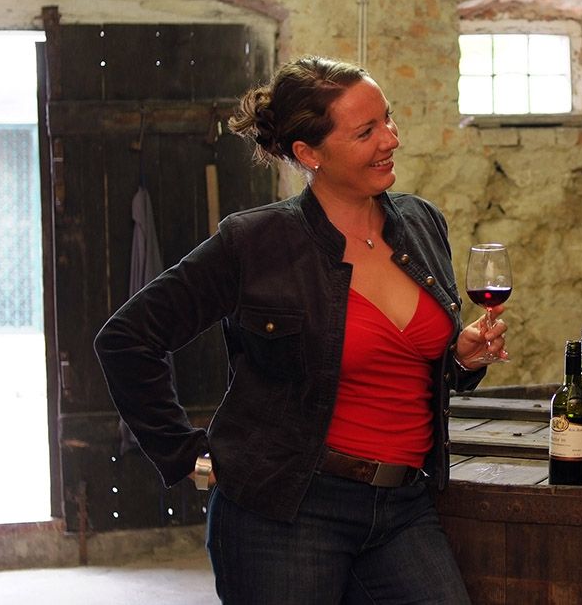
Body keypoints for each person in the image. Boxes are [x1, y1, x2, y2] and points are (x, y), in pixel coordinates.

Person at [95, 56, 508, 604]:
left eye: (388, 118)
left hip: (405, 505)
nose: (391, 139)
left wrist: (461, 357)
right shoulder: (256, 242)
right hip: (286, 513)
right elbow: (126, 340)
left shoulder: (421, 222)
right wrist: (186, 454)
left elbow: (411, 368)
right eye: (366, 131)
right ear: (309, 153)